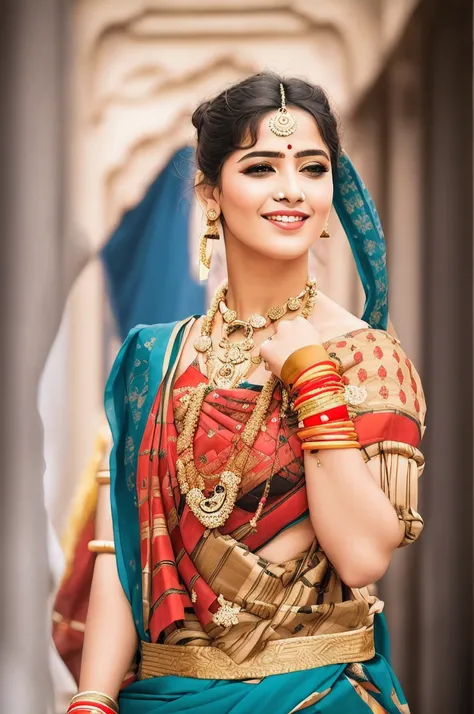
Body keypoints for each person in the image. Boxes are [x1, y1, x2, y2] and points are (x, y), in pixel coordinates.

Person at [69, 72, 426, 714]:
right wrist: (91, 700)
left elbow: (364, 554)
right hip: (161, 692)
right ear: (211, 192)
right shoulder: (155, 357)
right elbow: (120, 557)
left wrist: (311, 379)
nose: (292, 190)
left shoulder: (365, 355)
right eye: (261, 167)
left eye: (313, 169)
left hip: (312, 696)